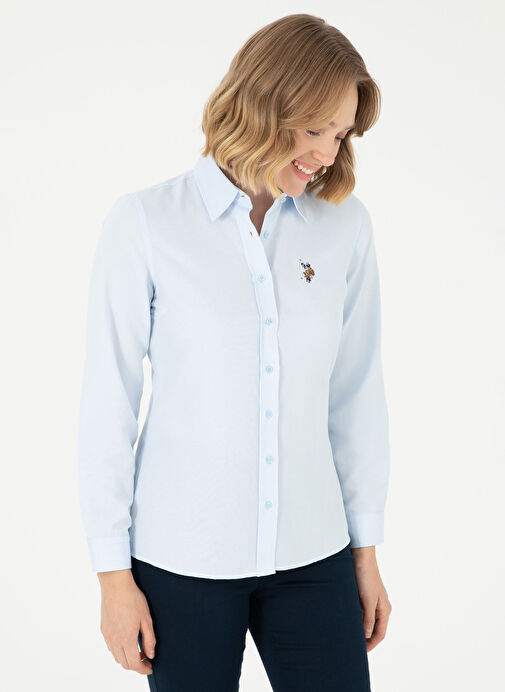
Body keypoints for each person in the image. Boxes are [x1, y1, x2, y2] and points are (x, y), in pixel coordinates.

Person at [77, 12, 392, 691]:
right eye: (315, 129)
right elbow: (108, 405)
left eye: (340, 134)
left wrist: (365, 555)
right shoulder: (145, 223)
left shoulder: (344, 227)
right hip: (179, 559)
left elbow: (355, 395)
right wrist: (111, 575)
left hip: (314, 553)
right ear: (264, 103)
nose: (327, 153)